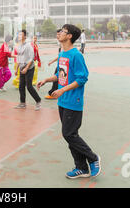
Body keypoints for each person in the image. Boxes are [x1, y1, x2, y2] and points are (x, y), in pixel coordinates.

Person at [37, 24, 101, 179]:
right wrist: (47, 79)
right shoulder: (62, 54)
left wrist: (63, 90)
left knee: (69, 134)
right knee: (70, 134)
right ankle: (81, 168)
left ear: (70, 36)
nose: (58, 33)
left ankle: (93, 158)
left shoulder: (76, 55)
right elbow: (61, 76)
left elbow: (82, 78)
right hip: (63, 101)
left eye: (62, 31)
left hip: (73, 100)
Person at [14, 30, 42, 111]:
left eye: (21, 35)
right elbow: (19, 58)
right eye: (18, 34)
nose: (19, 36)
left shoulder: (29, 46)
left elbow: (31, 58)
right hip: (22, 68)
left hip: (29, 68)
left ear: (25, 37)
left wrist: (26, 68)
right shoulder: (18, 46)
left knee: (29, 86)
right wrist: (17, 69)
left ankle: (38, 101)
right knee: (21, 86)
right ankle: (22, 103)